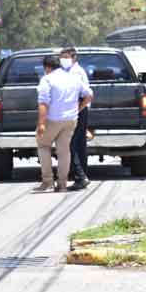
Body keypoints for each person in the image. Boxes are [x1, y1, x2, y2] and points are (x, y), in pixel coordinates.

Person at [35, 55, 94, 192]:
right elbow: (89, 94)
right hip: (71, 120)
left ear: (47, 67)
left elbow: (43, 103)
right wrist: (79, 108)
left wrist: (41, 124)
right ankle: (62, 184)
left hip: (53, 120)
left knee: (43, 145)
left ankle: (48, 181)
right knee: (64, 151)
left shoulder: (47, 79)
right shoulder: (73, 78)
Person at [61, 47, 91, 190]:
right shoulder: (70, 71)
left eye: (65, 57)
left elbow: (84, 94)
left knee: (71, 144)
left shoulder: (75, 72)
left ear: (74, 58)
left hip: (77, 110)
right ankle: (81, 175)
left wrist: (77, 110)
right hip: (77, 110)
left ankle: (80, 176)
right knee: (78, 144)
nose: (63, 60)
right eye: (62, 57)